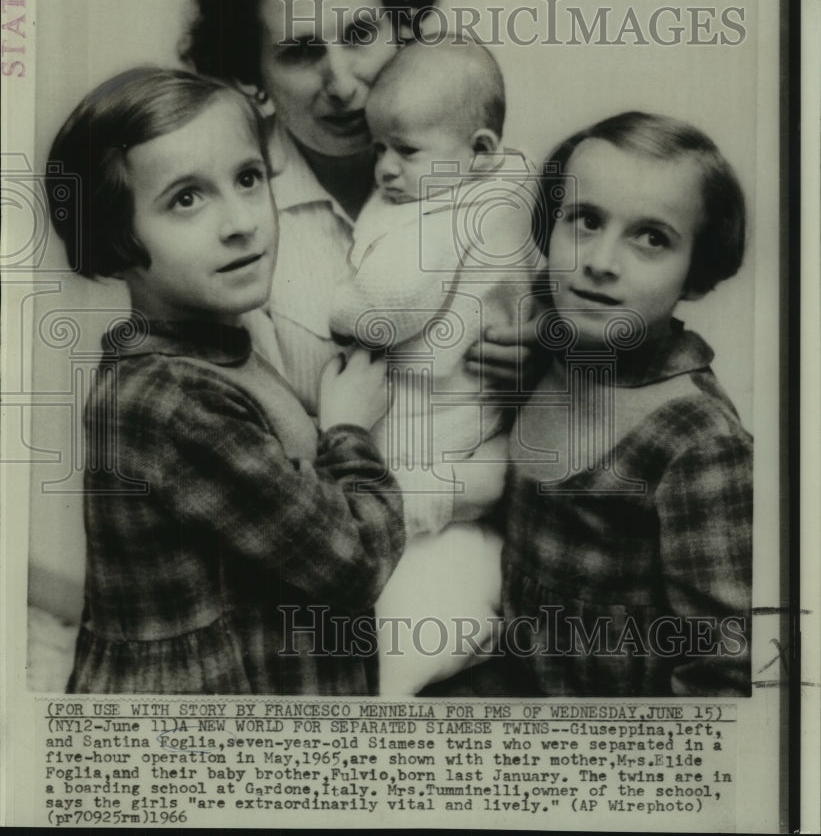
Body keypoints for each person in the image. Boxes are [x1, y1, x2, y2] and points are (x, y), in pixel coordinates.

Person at [47, 67, 405, 694]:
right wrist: (348, 429)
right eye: (186, 198)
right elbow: (354, 563)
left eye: (247, 178)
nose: (241, 221)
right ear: (113, 235)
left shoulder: (211, 347)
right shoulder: (175, 400)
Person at [179, 0, 526, 418]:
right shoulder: (232, 221)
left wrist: (552, 347)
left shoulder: (483, 166)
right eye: (300, 51)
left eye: (361, 33)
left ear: (402, 29)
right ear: (253, 72)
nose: (341, 83)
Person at [501, 111, 753, 696]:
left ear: (697, 272)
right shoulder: (553, 345)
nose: (601, 261)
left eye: (651, 238)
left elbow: (724, 671)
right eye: (584, 221)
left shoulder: (698, 440)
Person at [326, 38, 543, 693]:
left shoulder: (445, 218)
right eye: (378, 149)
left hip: (432, 434)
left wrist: (337, 307)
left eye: (405, 151)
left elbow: (384, 311)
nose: (385, 170)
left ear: (479, 151)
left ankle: (395, 687)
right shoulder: (483, 190)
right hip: (455, 440)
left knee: (403, 611)